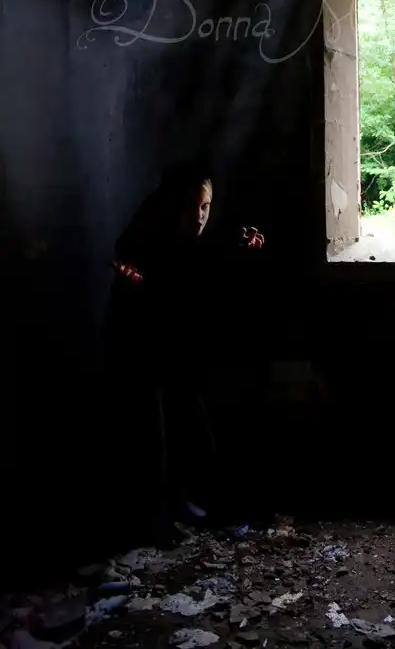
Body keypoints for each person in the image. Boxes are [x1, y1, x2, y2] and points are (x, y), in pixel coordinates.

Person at [102, 161, 264, 544]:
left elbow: (201, 274)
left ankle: (184, 506)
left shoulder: (187, 243)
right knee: (154, 434)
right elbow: (151, 289)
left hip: (170, 352)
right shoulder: (146, 242)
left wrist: (240, 250)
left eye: (205, 207)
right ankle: (157, 519)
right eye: (191, 207)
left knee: (187, 427)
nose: (199, 216)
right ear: (172, 206)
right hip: (139, 352)